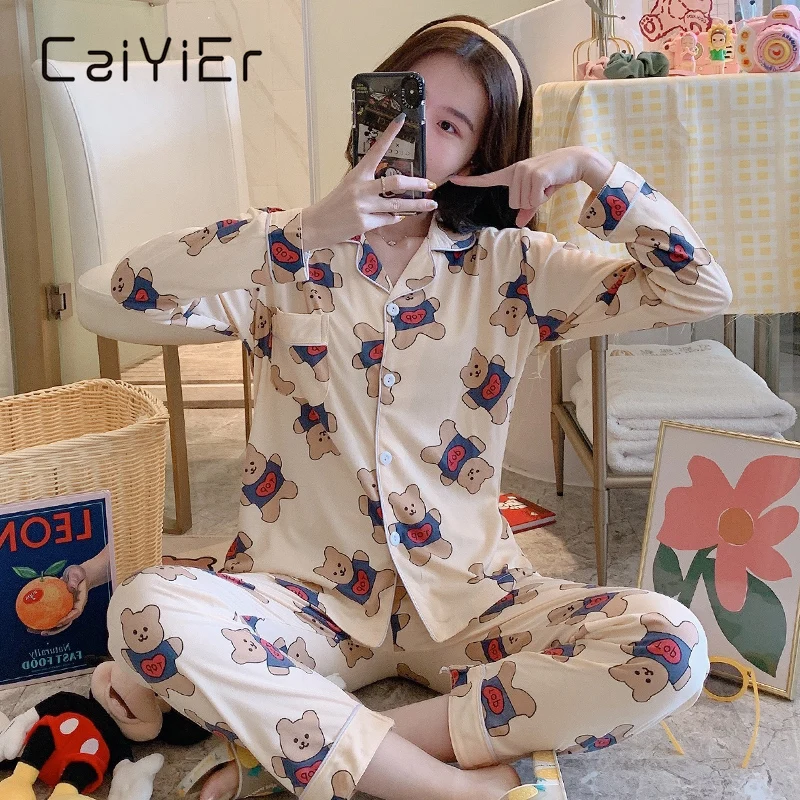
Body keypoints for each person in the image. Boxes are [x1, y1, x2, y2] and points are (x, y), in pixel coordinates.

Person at [105, 15, 732, 800]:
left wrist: (593, 167)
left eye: (449, 125)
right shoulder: (287, 250)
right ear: (370, 102)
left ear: (480, 156)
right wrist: (304, 230)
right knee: (143, 608)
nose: (411, 133)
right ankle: (452, 787)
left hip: (470, 602)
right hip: (304, 599)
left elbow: (697, 290)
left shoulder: (515, 269)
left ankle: (301, 748)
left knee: (672, 646)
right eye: (405, 104)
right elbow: (130, 288)